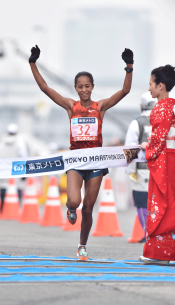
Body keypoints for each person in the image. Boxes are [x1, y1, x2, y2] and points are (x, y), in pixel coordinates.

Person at [29, 45, 134, 260]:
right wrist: (33, 63)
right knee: (74, 202)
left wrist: (129, 67)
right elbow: (45, 88)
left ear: (92, 87)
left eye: (87, 86)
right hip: (76, 160)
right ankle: (69, 209)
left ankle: (82, 245)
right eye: (80, 87)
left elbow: (124, 91)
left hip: (95, 161)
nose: (84, 90)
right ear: (75, 88)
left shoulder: (101, 107)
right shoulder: (70, 106)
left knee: (88, 209)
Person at [140, 65, 175, 265]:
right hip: (172, 157)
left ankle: (159, 253)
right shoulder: (173, 105)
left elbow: (158, 140)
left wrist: (147, 147)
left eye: (152, 84)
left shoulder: (162, 108)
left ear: (160, 86)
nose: (149, 87)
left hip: (164, 160)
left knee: (160, 202)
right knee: (171, 204)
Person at [125, 92, 156, 242]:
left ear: (141, 105)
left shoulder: (137, 123)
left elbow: (130, 149)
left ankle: (148, 233)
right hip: (162, 170)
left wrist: (130, 171)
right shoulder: (167, 120)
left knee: (142, 202)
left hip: (142, 171)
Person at [0, 123, 28, 212]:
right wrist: (24, 172)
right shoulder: (20, 143)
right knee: (17, 188)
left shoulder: (2, 143)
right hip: (16, 169)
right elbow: (23, 156)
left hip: (4, 169)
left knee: (3, 188)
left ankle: (2, 209)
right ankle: (16, 209)